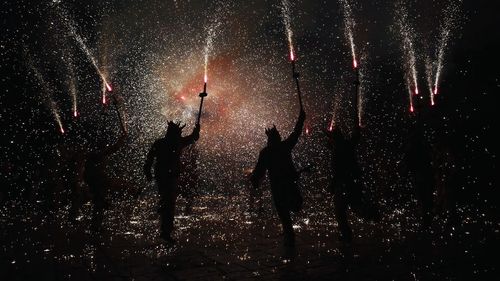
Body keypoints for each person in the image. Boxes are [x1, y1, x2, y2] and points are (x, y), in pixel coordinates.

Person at [250, 109, 305, 247]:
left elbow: (259, 170)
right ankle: (289, 236)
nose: (280, 136)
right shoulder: (284, 147)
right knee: (289, 208)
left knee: (284, 212)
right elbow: (296, 134)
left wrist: (255, 180)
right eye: (278, 135)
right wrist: (301, 119)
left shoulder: (266, 152)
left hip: (278, 187)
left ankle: (289, 234)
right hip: (287, 184)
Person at [144, 121, 200, 243]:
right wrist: (196, 131)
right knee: (169, 204)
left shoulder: (161, 143)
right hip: (168, 177)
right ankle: (166, 231)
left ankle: (163, 213)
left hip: (163, 176)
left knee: (167, 200)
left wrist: (147, 171)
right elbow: (193, 138)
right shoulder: (175, 143)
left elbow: (149, 159)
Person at [325, 124, 379, 242]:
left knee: (340, 211)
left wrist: (332, 185)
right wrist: (357, 128)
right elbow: (355, 138)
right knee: (354, 205)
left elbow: (338, 171)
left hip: (344, 184)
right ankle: (371, 213)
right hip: (352, 182)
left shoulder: (337, 150)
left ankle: (347, 235)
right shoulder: (346, 144)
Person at [83, 129, 127, 233]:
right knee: (99, 202)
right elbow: (113, 149)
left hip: (95, 179)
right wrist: (121, 139)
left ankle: (96, 226)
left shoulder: (93, 154)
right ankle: (95, 227)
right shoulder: (96, 154)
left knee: (100, 203)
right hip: (96, 180)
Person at [179, 144, 199, 215]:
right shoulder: (192, 152)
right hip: (189, 174)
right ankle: (188, 209)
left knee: (189, 192)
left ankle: (187, 209)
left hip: (187, 174)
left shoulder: (184, 150)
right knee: (189, 192)